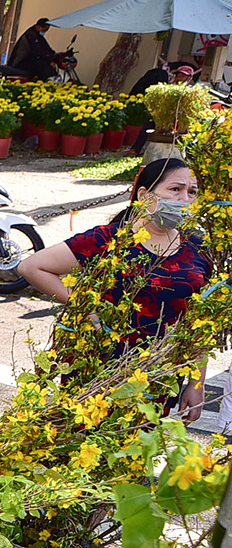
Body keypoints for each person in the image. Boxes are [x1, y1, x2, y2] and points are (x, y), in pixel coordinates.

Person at [17, 157, 210, 420]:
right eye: (175, 190)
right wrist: (84, 308)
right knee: (80, 449)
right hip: (96, 371)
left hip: (157, 377)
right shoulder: (109, 240)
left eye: (192, 192)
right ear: (144, 195)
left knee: (136, 452)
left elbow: (198, 323)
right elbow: (32, 267)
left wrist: (196, 384)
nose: (184, 199)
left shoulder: (197, 249)